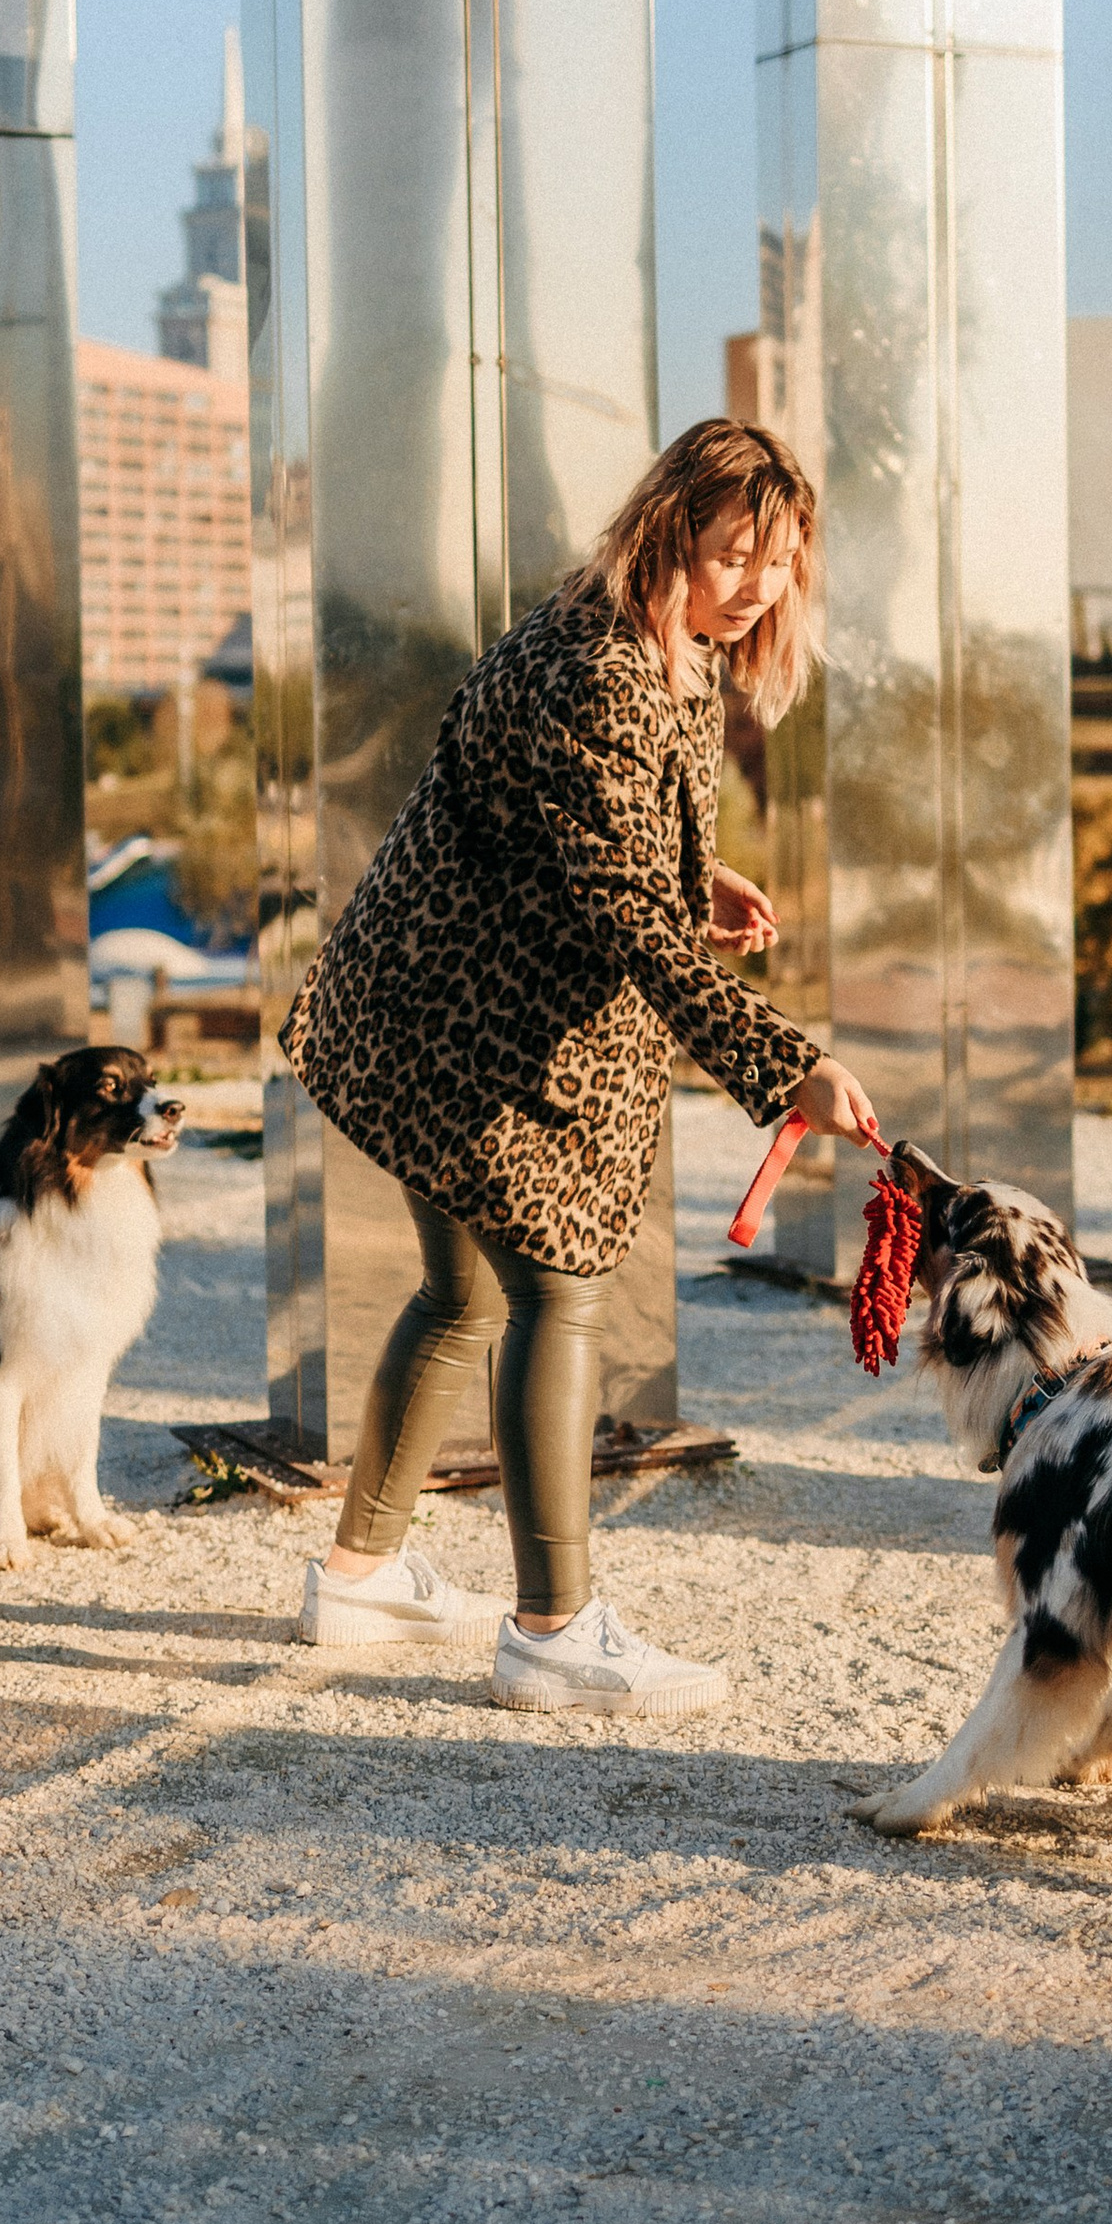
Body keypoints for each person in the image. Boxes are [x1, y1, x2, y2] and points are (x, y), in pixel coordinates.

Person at [278, 417, 877, 1717]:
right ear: (669, 529)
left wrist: (685, 868)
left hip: (432, 1005)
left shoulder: (659, 643)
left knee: (465, 1298)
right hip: (468, 1033)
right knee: (558, 1289)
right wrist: (788, 1072)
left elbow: (587, 836)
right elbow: (628, 922)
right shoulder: (598, 671)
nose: (761, 587)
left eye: (781, 563)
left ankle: (359, 1576)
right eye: (737, 555)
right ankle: (553, 1630)